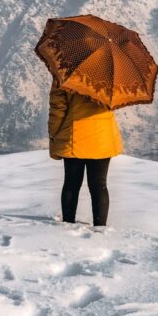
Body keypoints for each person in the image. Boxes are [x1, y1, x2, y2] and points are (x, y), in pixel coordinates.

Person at [48, 78, 123, 226]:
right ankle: (100, 228)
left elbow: (58, 107)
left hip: (74, 135)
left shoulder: (64, 72)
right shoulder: (111, 74)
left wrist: (54, 133)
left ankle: (68, 225)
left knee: (71, 183)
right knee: (99, 185)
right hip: (103, 135)